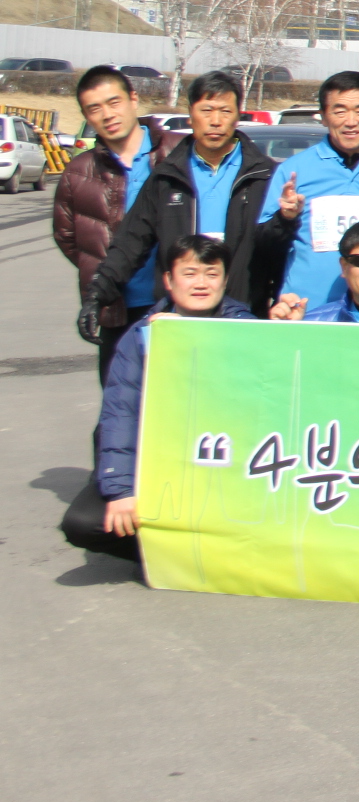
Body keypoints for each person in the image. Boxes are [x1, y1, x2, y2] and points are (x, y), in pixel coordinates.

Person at [73, 234, 258, 561]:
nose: (201, 283)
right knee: (84, 522)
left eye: (211, 274)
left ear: (225, 281)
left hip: (228, 467)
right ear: (169, 281)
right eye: (190, 273)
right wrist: (121, 490)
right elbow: (121, 415)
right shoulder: (141, 336)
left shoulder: (252, 331)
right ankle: (167, 556)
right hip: (163, 466)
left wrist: (193, 338)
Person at [81, 71, 276, 335]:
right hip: (179, 320)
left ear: (237, 115)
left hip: (244, 318)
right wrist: (97, 296)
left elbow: (282, 250)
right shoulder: (167, 177)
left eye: (225, 111)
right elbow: (130, 242)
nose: (216, 121)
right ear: (191, 114)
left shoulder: (265, 176)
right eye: (206, 110)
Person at [256, 71, 359, 314]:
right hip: (304, 311)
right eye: (339, 111)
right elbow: (263, 247)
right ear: (323, 117)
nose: (350, 122)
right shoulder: (293, 171)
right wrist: (284, 218)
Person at [54, 65, 162, 383]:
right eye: (94, 109)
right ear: (86, 117)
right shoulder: (78, 173)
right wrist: (103, 272)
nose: (107, 115)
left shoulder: (174, 154)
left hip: (173, 306)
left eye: (114, 102)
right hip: (116, 309)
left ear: (133, 99)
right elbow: (68, 237)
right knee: (120, 404)